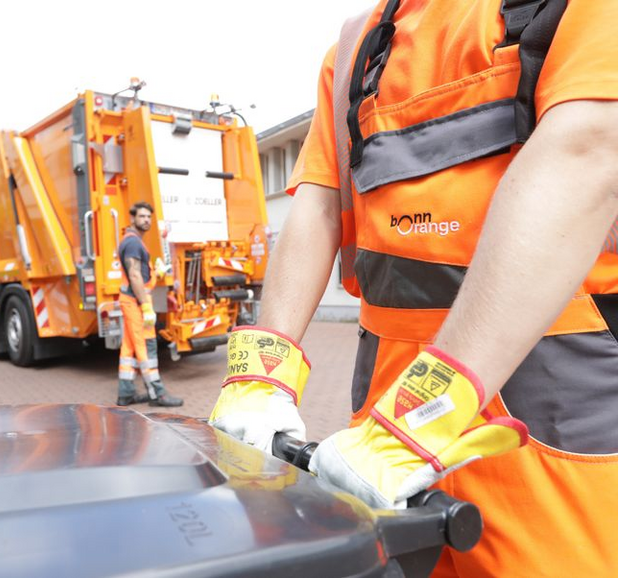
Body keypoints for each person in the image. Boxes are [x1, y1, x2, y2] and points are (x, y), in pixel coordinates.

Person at [210, 1, 618, 576]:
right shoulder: (356, 49)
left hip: (543, 439)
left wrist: (419, 416)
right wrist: (260, 371)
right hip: (382, 443)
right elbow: (319, 206)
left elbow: (589, 150)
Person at [116, 202, 183, 407]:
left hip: (131, 301)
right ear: (133, 219)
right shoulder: (134, 243)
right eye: (142, 216)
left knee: (129, 348)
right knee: (146, 347)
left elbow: (139, 275)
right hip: (136, 303)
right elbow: (134, 274)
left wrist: (156, 273)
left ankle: (126, 393)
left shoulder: (132, 242)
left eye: (148, 217)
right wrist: (145, 305)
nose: (146, 220)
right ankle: (158, 394)